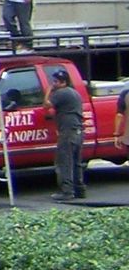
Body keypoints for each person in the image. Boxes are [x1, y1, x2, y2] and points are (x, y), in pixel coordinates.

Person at [48, 67, 86, 201]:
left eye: (56, 81)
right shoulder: (74, 93)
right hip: (78, 130)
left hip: (68, 132)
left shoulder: (60, 93)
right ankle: (80, 189)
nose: (54, 84)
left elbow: (46, 105)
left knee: (64, 162)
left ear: (63, 82)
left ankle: (67, 192)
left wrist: (48, 91)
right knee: (76, 162)